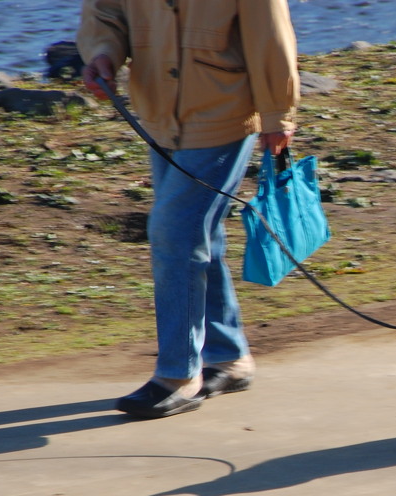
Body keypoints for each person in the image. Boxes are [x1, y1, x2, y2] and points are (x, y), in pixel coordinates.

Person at [76, 0, 300, 418]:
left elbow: (270, 30)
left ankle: (178, 375)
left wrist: (277, 112)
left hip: (225, 113)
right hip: (159, 111)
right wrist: (102, 52)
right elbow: (106, 10)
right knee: (199, 235)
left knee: (175, 232)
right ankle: (229, 357)